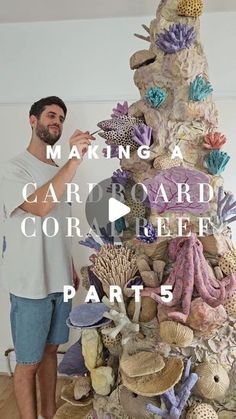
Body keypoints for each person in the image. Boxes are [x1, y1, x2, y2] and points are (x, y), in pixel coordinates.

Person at [0, 96, 94, 419]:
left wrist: (67, 264)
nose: (57, 120)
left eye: (61, 117)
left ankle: (49, 415)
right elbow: (41, 207)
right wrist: (74, 162)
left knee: (51, 351)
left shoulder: (60, 172)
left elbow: (59, 225)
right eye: (50, 115)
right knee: (28, 362)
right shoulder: (14, 168)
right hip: (30, 286)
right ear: (32, 120)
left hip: (60, 281)